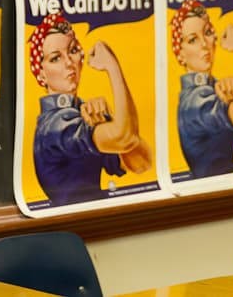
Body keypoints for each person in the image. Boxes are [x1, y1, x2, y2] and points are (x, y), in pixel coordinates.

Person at [28, 12, 151, 204]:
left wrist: (107, 120)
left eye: (73, 50)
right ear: (41, 74)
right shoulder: (55, 124)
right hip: (72, 224)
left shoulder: (81, 113)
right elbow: (125, 137)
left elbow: (142, 163)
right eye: (55, 58)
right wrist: (112, 67)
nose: (69, 63)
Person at [171, 0, 233, 178]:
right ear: (180, 54)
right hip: (208, 196)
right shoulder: (194, 101)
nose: (204, 44)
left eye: (207, 32)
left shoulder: (214, 90)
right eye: (192, 40)